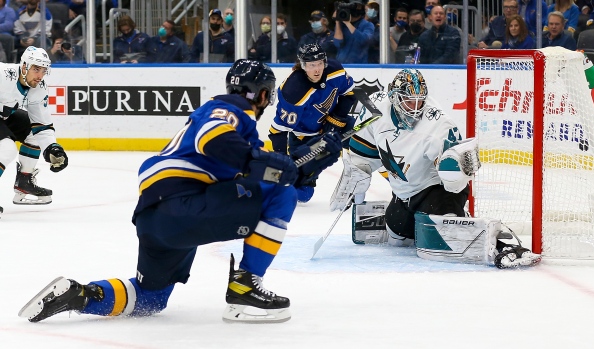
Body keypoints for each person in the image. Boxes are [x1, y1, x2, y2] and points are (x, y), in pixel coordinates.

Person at [18, 59, 343, 324]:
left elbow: (273, 172)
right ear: (259, 94)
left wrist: (306, 165)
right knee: (279, 195)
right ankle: (245, 286)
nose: (267, 102)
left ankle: (82, 295)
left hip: (156, 218)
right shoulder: (231, 109)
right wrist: (288, 168)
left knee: (151, 298)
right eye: (268, 95)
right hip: (183, 202)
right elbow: (214, 139)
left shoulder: (228, 122)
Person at [330, 68, 541, 269]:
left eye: (420, 101)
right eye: (409, 101)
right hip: (405, 194)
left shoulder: (439, 126)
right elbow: (363, 152)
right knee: (398, 240)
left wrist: (454, 167)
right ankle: (429, 218)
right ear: (394, 98)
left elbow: (457, 177)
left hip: (437, 191)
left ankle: (503, 242)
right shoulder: (374, 108)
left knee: (441, 235)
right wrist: (355, 177)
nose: (415, 107)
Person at [268, 43, 356, 203]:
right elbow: (278, 131)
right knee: (303, 194)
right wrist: (283, 161)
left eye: (320, 63)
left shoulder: (335, 71)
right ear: (302, 65)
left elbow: (349, 95)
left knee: (363, 140)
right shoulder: (293, 91)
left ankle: (359, 176)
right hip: (305, 139)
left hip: (334, 127)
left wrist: (335, 121)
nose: (317, 69)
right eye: (311, 65)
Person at [0, 46, 68, 216]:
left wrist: (53, 147)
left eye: (44, 70)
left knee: (34, 133)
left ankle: (24, 181)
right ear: (24, 66)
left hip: (4, 116)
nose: (40, 75)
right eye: (36, 69)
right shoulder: (3, 74)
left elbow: (41, 125)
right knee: (7, 149)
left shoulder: (39, 86)